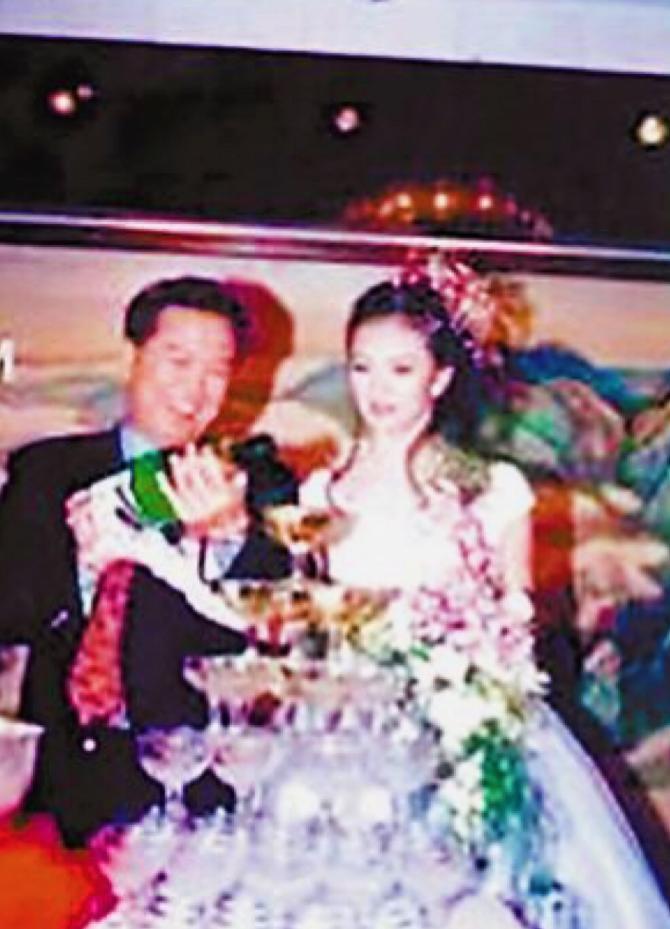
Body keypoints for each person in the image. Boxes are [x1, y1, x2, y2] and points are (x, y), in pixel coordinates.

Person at [300, 274, 670, 928]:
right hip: (346, 736)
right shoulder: (319, 494)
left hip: (467, 730)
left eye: (401, 368)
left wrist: (465, 658)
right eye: (362, 366)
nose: (378, 387)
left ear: (439, 378)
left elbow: (517, 618)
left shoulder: (492, 490)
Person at [0, 276, 295, 845]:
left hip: (188, 787)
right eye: (178, 360)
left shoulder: (260, 488)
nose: (195, 388)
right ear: (130, 357)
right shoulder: (46, 471)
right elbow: (10, 615)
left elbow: (269, 645)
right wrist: (84, 567)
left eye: (217, 370)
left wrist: (226, 537)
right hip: (54, 781)